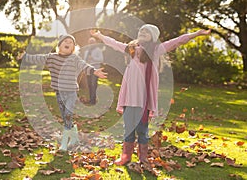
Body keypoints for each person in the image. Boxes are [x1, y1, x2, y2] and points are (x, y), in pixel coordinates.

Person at [90, 25, 211, 165]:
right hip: (130, 97)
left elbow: (176, 41)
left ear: (153, 37)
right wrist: (100, 36)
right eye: (141, 30)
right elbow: (114, 43)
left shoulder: (155, 50)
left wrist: (196, 34)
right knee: (128, 127)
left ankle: (143, 157)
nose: (143, 33)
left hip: (143, 99)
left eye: (147, 32)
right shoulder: (132, 49)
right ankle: (126, 156)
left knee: (142, 129)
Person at [19, 34, 107, 151]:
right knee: (66, 118)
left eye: (71, 42)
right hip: (59, 92)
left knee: (68, 115)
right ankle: (74, 138)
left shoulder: (74, 59)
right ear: (59, 45)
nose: (68, 43)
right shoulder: (51, 57)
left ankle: (64, 144)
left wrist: (94, 71)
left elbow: (84, 65)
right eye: (65, 41)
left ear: (73, 48)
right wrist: (25, 56)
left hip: (71, 93)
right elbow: (38, 58)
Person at [83, 37, 104, 104]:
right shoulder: (86, 51)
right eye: (90, 42)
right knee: (89, 85)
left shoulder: (98, 50)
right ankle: (91, 99)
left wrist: (93, 58)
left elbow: (101, 59)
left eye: (92, 42)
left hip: (96, 70)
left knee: (93, 84)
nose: (91, 44)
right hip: (88, 70)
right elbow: (84, 61)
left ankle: (93, 101)